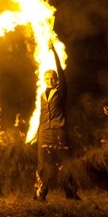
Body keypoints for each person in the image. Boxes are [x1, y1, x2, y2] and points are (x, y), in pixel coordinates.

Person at [34, 42, 80, 201]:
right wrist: (36, 132)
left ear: (57, 80)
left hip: (59, 131)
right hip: (44, 133)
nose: (49, 81)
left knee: (64, 164)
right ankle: (40, 194)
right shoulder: (42, 95)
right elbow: (41, 115)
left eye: (52, 79)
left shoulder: (61, 92)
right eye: (46, 79)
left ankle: (71, 194)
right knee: (42, 166)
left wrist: (53, 51)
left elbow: (60, 70)